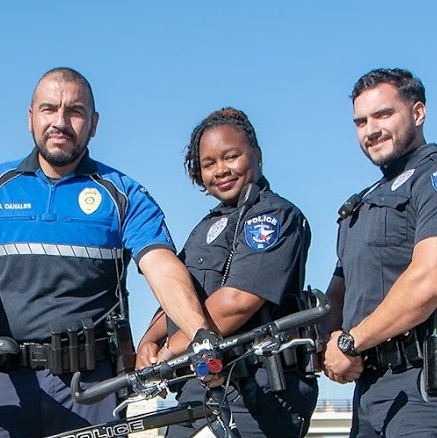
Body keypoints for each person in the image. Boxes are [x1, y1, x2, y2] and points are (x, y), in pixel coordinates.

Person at [0, 67, 216, 437]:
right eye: (49, 109)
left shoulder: (124, 193)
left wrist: (199, 332)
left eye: (75, 111)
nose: (60, 121)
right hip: (7, 377)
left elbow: (161, 267)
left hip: (93, 387)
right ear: (30, 118)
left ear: (93, 123)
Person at [322, 68, 437, 437]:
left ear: (418, 113)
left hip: (428, 387)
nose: (371, 130)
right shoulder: (363, 202)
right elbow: (340, 290)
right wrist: (331, 340)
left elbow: (430, 282)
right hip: (370, 387)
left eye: (384, 115)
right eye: (361, 121)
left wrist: (351, 341)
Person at [136, 107, 318, 437]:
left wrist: (167, 353)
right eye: (209, 164)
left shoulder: (275, 216)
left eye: (230, 156)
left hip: (258, 395)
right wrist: (148, 342)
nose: (221, 170)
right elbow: (181, 299)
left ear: (257, 155)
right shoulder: (203, 229)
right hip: (196, 391)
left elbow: (237, 300)